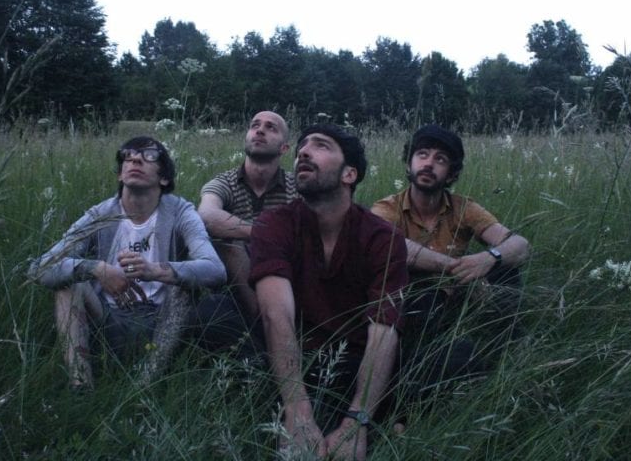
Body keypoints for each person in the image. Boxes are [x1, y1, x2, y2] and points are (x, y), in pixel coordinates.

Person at [250, 124, 407, 460]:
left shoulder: (382, 237)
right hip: (291, 356)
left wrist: (356, 422)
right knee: (219, 327)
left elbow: (383, 327)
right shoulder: (273, 224)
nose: (303, 152)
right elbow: (276, 314)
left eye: (321, 146)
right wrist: (297, 411)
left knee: (448, 358)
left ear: (349, 174)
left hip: (354, 361)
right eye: (301, 148)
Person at [29, 136, 226, 389]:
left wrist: (155, 270)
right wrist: (96, 268)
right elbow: (39, 267)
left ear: (164, 178)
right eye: (128, 155)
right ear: (120, 174)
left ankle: (145, 385)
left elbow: (215, 268)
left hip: (163, 323)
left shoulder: (180, 212)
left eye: (149, 156)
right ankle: (81, 386)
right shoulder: (100, 215)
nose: (135, 159)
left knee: (184, 286)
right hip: (107, 319)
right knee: (69, 283)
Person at [371, 124, 530, 392]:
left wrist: (488, 258)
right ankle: (425, 366)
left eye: (440, 159)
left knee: (505, 270)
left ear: (452, 173)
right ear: (409, 163)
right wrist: (456, 268)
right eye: (422, 155)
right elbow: (391, 245)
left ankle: (509, 347)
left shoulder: (462, 207)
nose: (429, 164)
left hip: (457, 297)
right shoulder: (388, 207)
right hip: (413, 299)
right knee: (423, 300)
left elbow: (520, 245)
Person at [196, 111, 296, 351]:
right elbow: (207, 216)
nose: (260, 130)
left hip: (286, 276)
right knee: (229, 245)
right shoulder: (225, 182)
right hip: (238, 283)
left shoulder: (296, 186)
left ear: (284, 148)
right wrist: (264, 234)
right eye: (255, 125)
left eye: (271, 127)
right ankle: (263, 326)